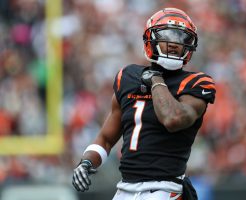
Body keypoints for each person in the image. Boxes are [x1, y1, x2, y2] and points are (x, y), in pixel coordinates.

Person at [72, 7, 216, 200]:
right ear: (151, 40)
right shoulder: (129, 77)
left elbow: (173, 119)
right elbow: (106, 138)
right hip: (124, 188)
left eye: (181, 38)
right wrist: (87, 163)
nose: (174, 43)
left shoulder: (196, 83)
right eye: (167, 35)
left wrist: (156, 81)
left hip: (165, 189)